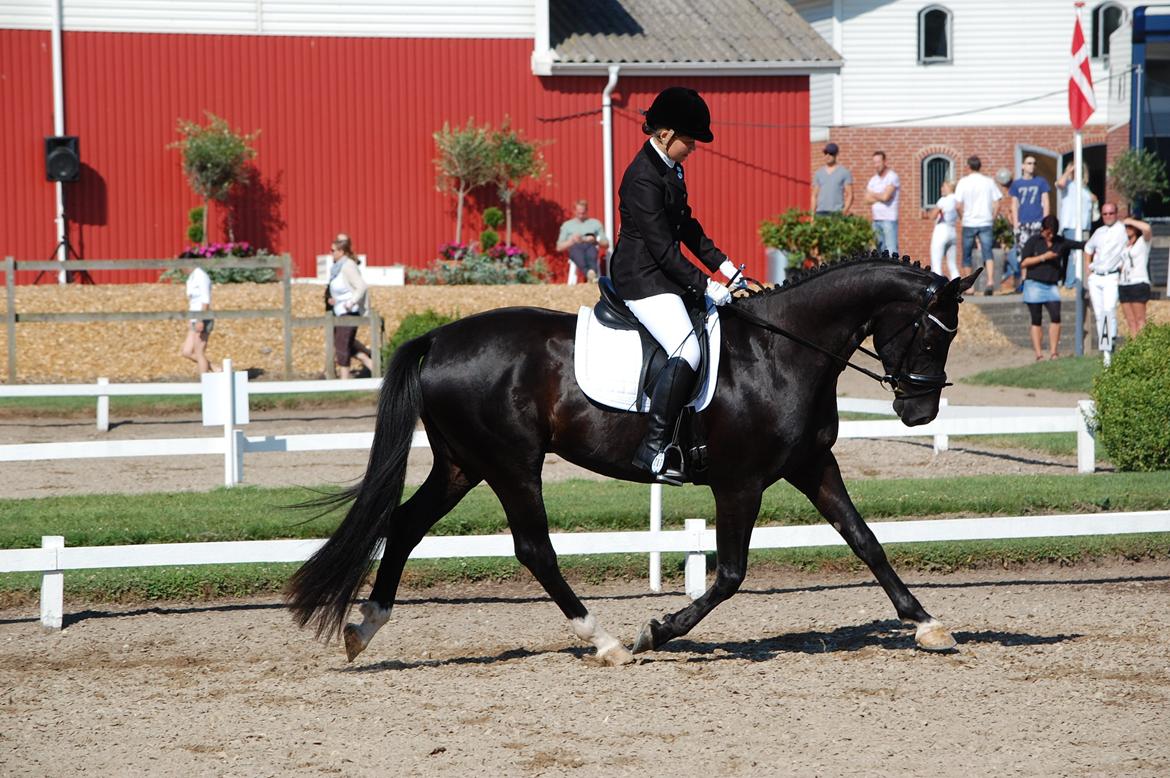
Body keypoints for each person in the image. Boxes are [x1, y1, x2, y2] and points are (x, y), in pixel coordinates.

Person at [608, 86, 744, 483]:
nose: (694, 149)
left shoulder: (669, 167)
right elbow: (663, 250)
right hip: (641, 278)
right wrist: (706, 285)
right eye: (690, 140)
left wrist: (724, 264)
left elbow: (686, 225)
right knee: (687, 349)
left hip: (662, 273)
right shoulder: (642, 178)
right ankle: (653, 446)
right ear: (666, 134)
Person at [1019, 215, 1082, 361]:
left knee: (1055, 316)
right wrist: (1044, 257)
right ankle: (1039, 354)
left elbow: (1078, 245)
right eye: (1048, 232)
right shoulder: (1034, 241)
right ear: (1043, 229)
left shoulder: (1060, 242)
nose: (1051, 235)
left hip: (1051, 285)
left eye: (1053, 232)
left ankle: (1054, 352)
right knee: (1036, 319)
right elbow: (1024, 262)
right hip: (1033, 284)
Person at [326, 233, 375, 379]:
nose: (331, 253)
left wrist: (350, 302)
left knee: (342, 347)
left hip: (349, 313)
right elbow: (342, 289)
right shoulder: (337, 267)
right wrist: (335, 300)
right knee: (346, 345)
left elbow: (361, 286)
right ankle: (373, 364)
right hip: (340, 312)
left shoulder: (348, 266)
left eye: (332, 250)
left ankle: (344, 384)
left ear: (341, 252)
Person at [1083, 203, 1126, 367]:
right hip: (1097, 276)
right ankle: (1105, 349)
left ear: (1116, 213)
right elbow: (1088, 248)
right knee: (1100, 314)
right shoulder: (1099, 232)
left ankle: (1109, 349)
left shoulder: (1122, 230)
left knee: (1109, 311)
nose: (1108, 216)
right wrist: (1089, 269)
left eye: (1111, 213)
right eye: (1105, 214)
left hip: (1112, 276)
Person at [954, 155, 1002, 295]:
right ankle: (990, 282)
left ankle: (970, 287)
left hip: (969, 222)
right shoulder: (988, 181)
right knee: (988, 252)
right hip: (986, 221)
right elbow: (998, 202)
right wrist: (992, 217)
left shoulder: (963, 182)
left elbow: (957, 205)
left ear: (968, 166)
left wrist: (963, 217)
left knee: (967, 254)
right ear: (980, 166)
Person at [1007, 155, 1051, 293]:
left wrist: (1045, 222)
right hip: (1023, 223)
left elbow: (1046, 203)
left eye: (1034, 163)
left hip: (1037, 222)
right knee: (1023, 253)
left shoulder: (1041, 182)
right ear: (1023, 166)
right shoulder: (1017, 184)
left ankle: (1039, 280)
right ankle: (1025, 281)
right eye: (1029, 163)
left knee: (1039, 251)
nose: (1032, 165)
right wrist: (1015, 225)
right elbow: (1014, 205)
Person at [1056, 162, 1097, 287]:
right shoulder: (1068, 184)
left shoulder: (1085, 188)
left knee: (1084, 252)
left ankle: (1082, 281)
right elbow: (1060, 183)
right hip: (1071, 225)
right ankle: (1071, 282)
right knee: (1074, 254)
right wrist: (1068, 171)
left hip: (1085, 226)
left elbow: (1092, 199)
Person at [180, 264, 221, 374]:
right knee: (186, 351)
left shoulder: (201, 276)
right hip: (194, 318)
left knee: (199, 352)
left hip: (202, 318)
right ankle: (216, 368)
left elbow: (205, 301)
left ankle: (205, 383)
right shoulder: (191, 277)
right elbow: (193, 302)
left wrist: (200, 320)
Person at [557, 199, 609, 284]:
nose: (581, 215)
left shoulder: (595, 223)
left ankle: (591, 272)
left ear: (587, 211)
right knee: (577, 251)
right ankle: (590, 273)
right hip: (575, 247)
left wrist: (595, 240)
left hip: (590, 246)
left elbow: (606, 244)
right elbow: (559, 247)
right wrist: (572, 241)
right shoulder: (567, 225)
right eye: (579, 212)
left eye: (583, 213)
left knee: (591, 251)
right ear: (574, 211)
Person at [1119, 215, 1153, 338]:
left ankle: (1142, 349)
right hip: (1124, 283)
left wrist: (1131, 221)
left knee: (1140, 319)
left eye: (1130, 227)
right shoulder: (1125, 244)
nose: (1127, 228)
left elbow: (1147, 228)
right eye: (1126, 226)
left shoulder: (1143, 241)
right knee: (1130, 321)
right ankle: (1134, 348)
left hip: (1138, 282)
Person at [864, 151, 900, 254]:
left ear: (884, 161)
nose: (876, 165)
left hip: (889, 220)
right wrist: (880, 195)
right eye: (874, 162)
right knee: (878, 251)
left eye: (878, 162)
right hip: (876, 220)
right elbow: (866, 200)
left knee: (891, 250)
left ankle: (894, 271)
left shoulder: (892, 177)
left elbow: (886, 197)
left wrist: (873, 193)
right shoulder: (873, 180)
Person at [924, 179, 959, 279]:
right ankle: (958, 284)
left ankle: (938, 288)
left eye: (944, 186)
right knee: (952, 264)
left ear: (950, 188)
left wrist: (927, 213)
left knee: (936, 262)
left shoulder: (943, 200)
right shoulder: (956, 199)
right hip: (952, 230)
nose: (942, 189)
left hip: (941, 230)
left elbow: (932, 216)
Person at [811, 143, 854, 216]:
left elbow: (850, 195)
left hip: (836, 213)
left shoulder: (844, 172)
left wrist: (844, 211)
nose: (827, 156)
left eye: (831, 153)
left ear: (836, 154)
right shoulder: (819, 173)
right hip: (820, 213)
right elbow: (814, 196)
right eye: (825, 153)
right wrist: (812, 215)